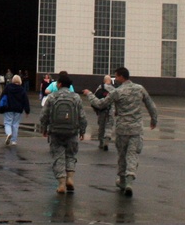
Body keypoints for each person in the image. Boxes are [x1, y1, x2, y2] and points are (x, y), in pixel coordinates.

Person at [83, 67, 158, 197]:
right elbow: (151, 105)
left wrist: (89, 94)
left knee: (122, 155)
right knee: (132, 154)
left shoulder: (118, 92)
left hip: (122, 129)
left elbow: (101, 103)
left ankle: (122, 181)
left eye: (116, 77)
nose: (115, 79)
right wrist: (154, 120)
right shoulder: (140, 88)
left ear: (122, 77)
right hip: (136, 129)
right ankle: (129, 181)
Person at [39, 73, 88, 194]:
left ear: (59, 84)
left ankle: (61, 183)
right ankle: (70, 178)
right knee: (71, 155)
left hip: (56, 131)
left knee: (58, 156)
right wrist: (82, 131)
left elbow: (44, 115)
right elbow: (82, 116)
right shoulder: (76, 97)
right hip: (72, 131)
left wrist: (44, 129)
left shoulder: (52, 97)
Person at [0, 74, 31, 146]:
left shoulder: (8, 87)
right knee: (15, 124)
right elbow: (26, 100)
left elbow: (2, 96)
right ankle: (14, 141)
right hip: (18, 109)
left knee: (7, 123)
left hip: (8, 108)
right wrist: (27, 110)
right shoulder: (22, 89)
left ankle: (9, 133)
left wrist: (1, 105)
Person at [92, 75, 116, 150]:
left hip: (102, 110)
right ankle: (107, 140)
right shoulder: (113, 89)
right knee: (109, 126)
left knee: (101, 127)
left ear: (104, 80)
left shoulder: (100, 87)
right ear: (110, 81)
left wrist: (96, 109)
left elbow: (95, 98)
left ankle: (101, 143)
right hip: (110, 110)